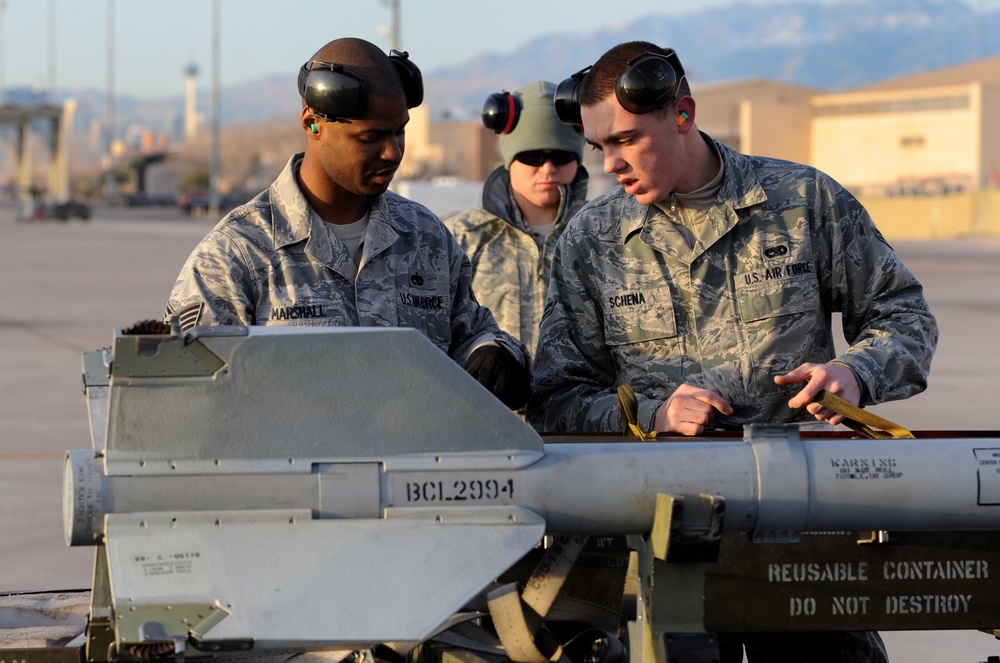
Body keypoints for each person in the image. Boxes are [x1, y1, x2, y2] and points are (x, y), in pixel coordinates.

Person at [529, 41, 939, 662]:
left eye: (628, 139)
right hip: (666, 549)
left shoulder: (802, 203)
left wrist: (855, 374)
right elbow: (557, 397)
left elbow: (905, 317)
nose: (611, 162)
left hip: (805, 538)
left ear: (684, 113)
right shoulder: (589, 240)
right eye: (600, 146)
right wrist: (651, 415)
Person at [165, 37, 530, 410]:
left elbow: (473, 331)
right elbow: (189, 402)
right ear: (313, 123)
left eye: (399, 132)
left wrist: (493, 352)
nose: (393, 152)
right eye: (370, 137)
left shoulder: (426, 236)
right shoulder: (236, 255)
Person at [445, 80, 588, 357]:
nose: (547, 168)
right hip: (487, 400)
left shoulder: (604, 237)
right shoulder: (458, 240)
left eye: (561, 155)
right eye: (533, 156)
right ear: (510, 159)